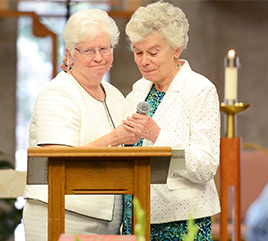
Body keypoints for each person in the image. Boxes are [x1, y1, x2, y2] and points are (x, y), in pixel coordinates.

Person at [23, 9, 139, 241]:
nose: (99, 57)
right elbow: (58, 160)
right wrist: (115, 138)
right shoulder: (58, 92)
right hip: (61, 215)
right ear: (70, 53)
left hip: (108, 221)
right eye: (88, 50)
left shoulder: (115, 95)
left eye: (105, 48)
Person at [121, 1, 221, 240]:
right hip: (135, 216)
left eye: (153, 53)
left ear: (176, 49)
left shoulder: (200, 89)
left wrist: (158, 136)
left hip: (181, 222)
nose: (144, 61)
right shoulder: (137, 92)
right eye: (138, 52)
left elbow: (205, 166)